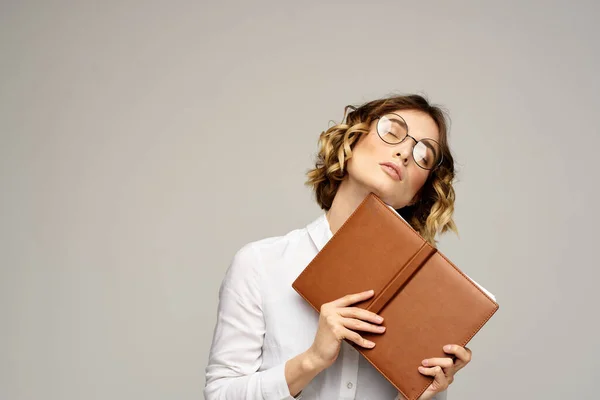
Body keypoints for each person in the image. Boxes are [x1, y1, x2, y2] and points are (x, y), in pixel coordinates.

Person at [203, 94, 473, 400]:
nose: (404, 153)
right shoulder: (261, 264)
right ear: (352, 140)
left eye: (423, 155)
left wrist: (426, 394)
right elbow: (219, 394)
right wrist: (313, 360)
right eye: (393, 132)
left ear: (416, 194)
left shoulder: (429, 296)